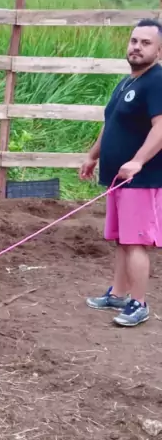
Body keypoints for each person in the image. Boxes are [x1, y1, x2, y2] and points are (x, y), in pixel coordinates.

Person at [80, 19, 162, 327]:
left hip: (141, 179)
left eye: (146, 43)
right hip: (119, 178)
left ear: (159, 51)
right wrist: (93, 156)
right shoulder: (127, 83)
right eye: (134, 41)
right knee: (122, 239)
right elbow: (112, 124)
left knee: (136, 241)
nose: (137, 47)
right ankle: (118, 294)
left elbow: (161, 127)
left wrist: (138, 161)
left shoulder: (157, 82)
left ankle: (139, 303)